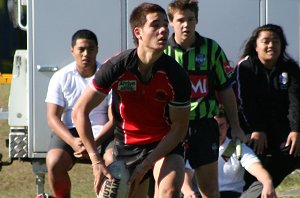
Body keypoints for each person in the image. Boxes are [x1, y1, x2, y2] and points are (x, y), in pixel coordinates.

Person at [72, 3, 191, 198]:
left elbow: (179, 128)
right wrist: (96, 161)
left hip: (164, 143)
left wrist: (147, 164)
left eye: (165, 25)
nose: (163, 30)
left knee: (169, 192)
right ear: (138, 32)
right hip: (127, 145)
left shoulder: (176, 75)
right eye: (155, 25)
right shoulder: (117, 67)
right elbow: (79, 111)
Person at [165, 0, 245, 197]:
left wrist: (235, 125)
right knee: (168, 190)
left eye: (190, 19)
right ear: (171, 22)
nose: (186, 25)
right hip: (170, 127)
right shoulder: (162, 52)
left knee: (209, 189)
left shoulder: (211, 49)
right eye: (180, 20)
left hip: (203, 126)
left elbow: (226, 89)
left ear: (197, 20)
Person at [45, 29, 114, 198]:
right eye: (81, 49)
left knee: (114, 161)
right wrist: (74, 142)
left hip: (103, 133)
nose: (86, 54)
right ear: (72, 51)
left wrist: (94, 142)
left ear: (97, 50)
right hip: (71, 133)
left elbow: (114, 120)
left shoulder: (109, 76)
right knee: (54, 162)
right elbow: (52, 117)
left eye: (90, 49)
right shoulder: (60, 77)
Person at [236, 24, 300, 196]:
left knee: (294, 149)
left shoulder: (290, 68)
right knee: (252, 153)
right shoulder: (245, 67)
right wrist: (257, 129)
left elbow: (295, 102)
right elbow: (245, 102)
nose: (271, 45)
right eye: (266, 41)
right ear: (256, 46)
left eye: (276, 41)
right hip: (253, 128)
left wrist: (295, 130)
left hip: (282, 127)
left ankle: (262, 187)